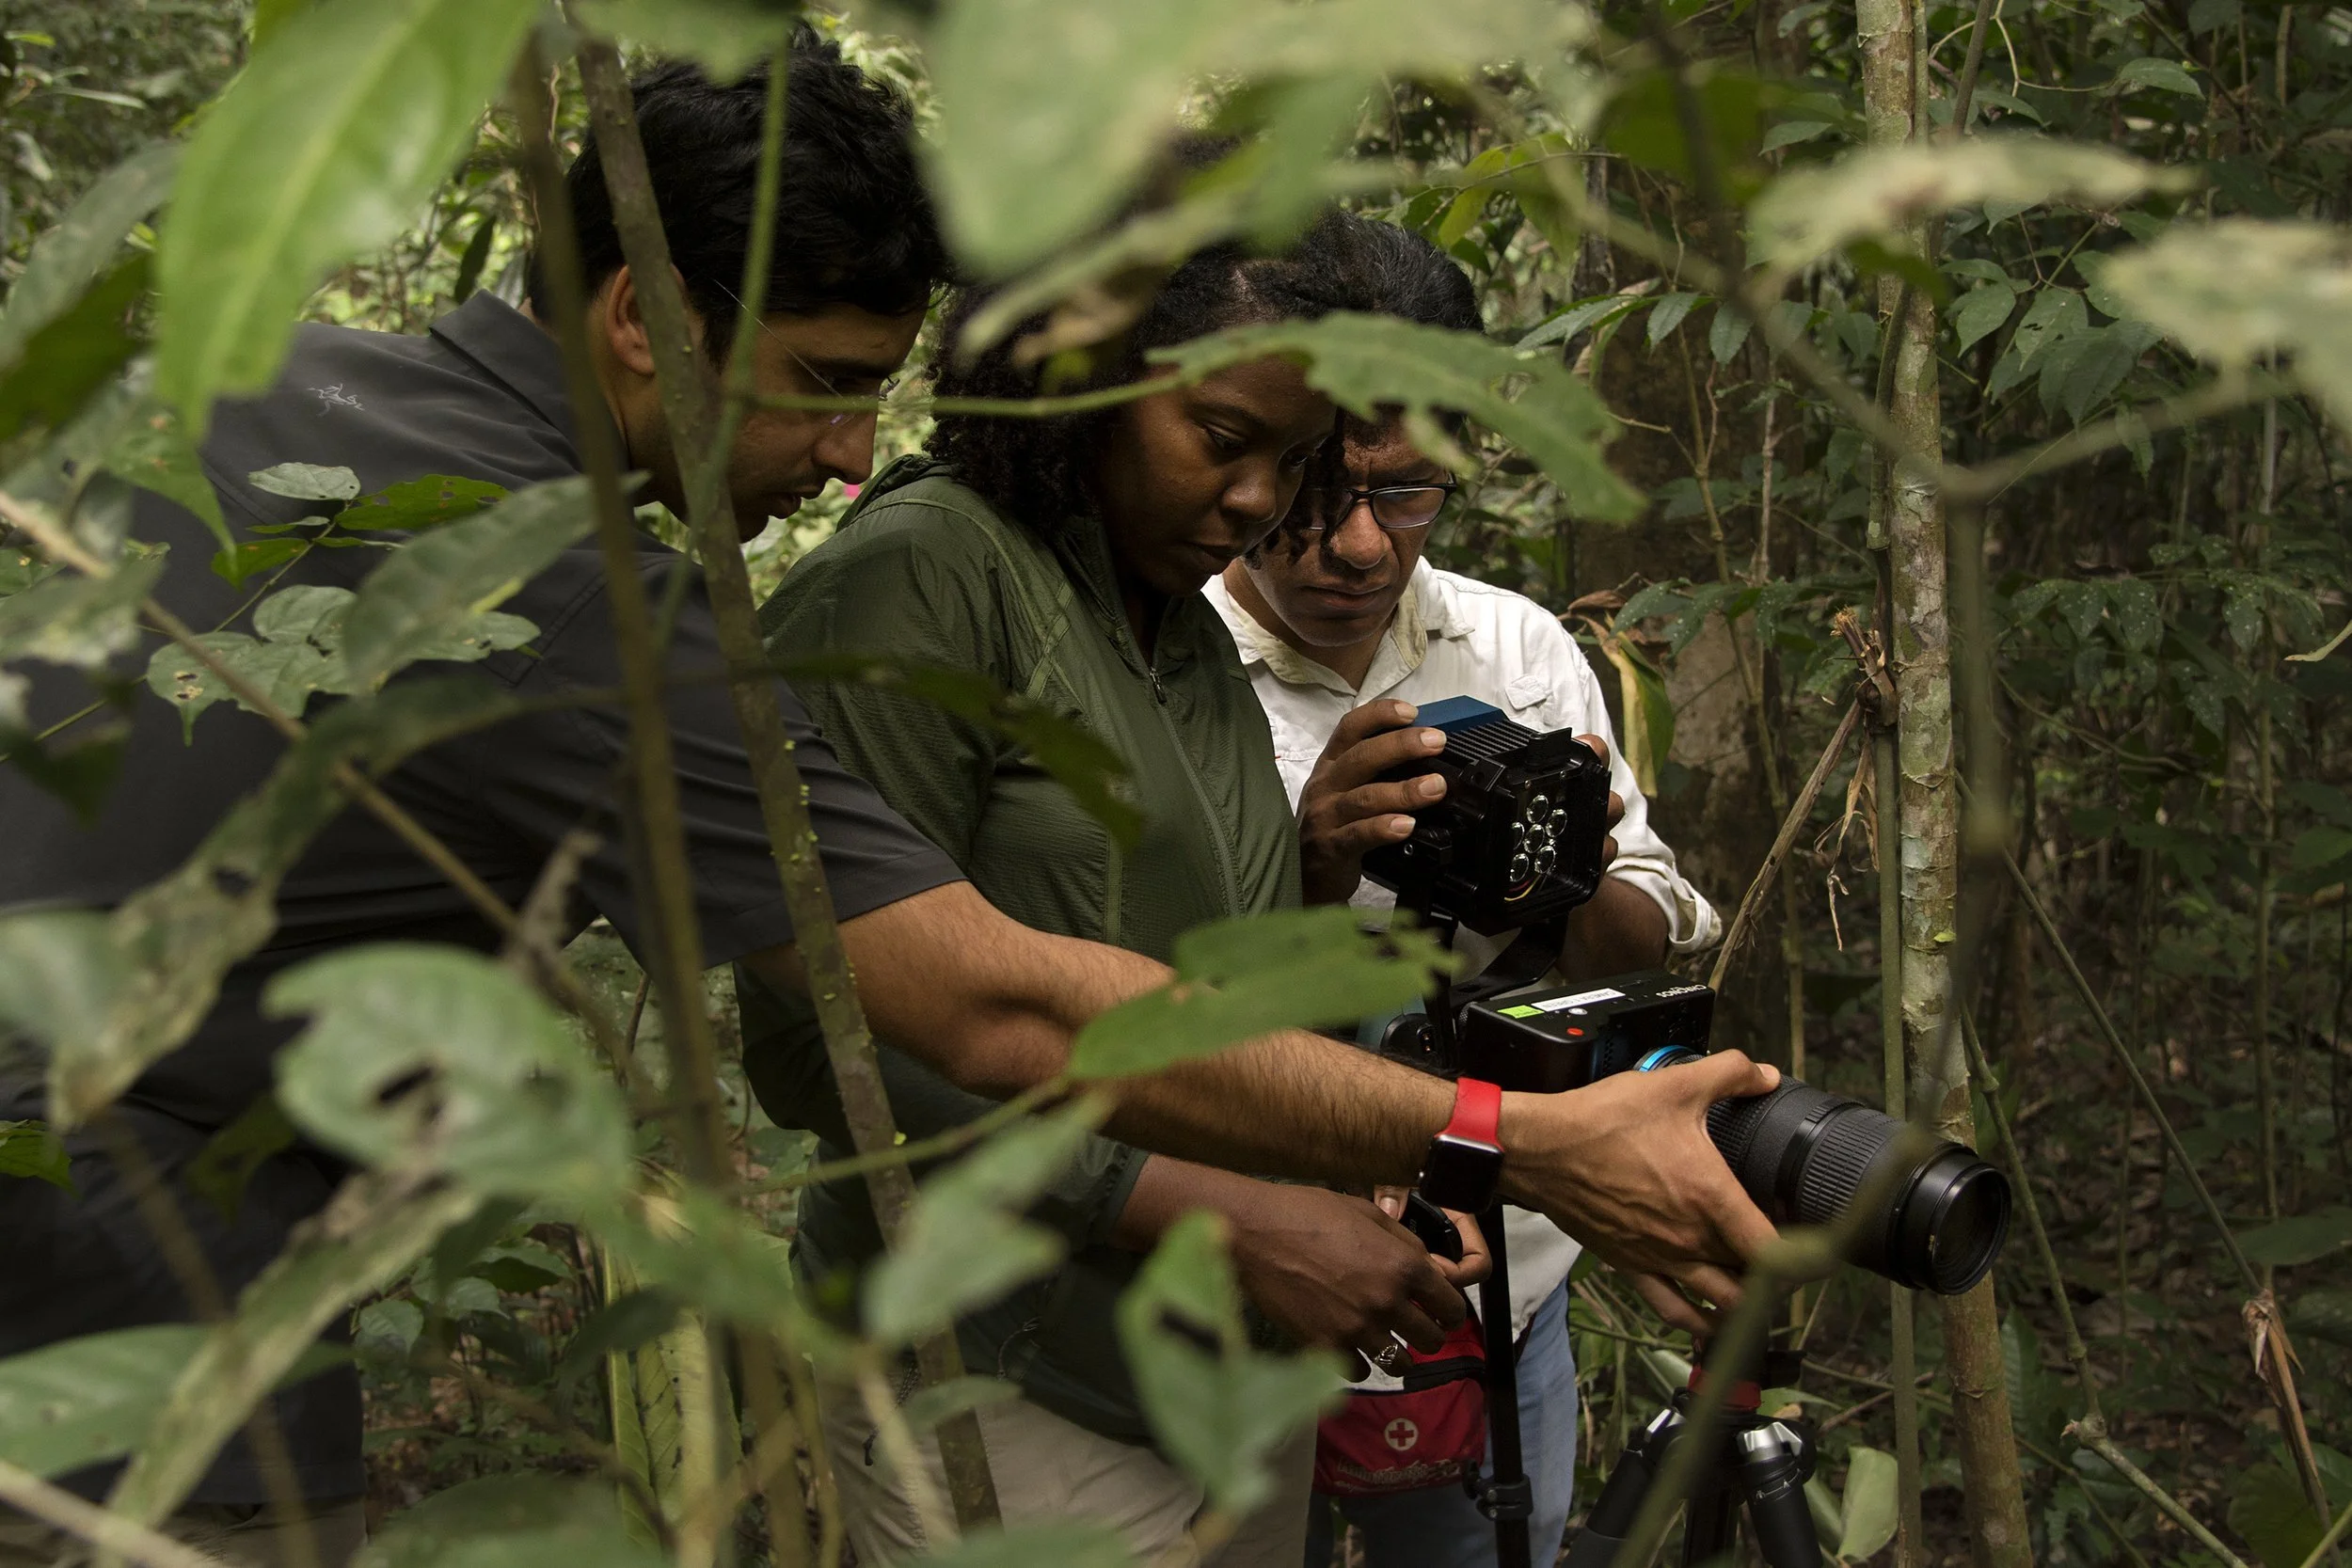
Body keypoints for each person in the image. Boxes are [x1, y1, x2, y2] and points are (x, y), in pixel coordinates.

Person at [0, 41, 1772, 1568]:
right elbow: (969, 1000)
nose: (851, 455)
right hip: (119, 1292)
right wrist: (1522, 1139)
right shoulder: (589, 596)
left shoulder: (263, 389)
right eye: (831, 385)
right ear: (640, 320)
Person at [741, 208, 1505, 1566]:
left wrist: (1335, 1158)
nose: (1263, 501)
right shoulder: (922, 580)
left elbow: (1194, 989)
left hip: (1220, 1385)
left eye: (1295, 458)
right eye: (1221, 442)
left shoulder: (1183, 628)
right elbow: (820, 1044)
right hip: (1000, 1379)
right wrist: (1223, 1207)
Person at [1200, 223, 1721, 1568]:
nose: (1360, 546)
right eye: (1314, 489)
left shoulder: (1515, 646)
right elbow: (1128, 1002)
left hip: (1504, 1282)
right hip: (1247, 1281)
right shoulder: (1172, 662)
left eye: (1410, 490)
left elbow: (1656, 930)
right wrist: (1315, 856)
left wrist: (1571, 872)